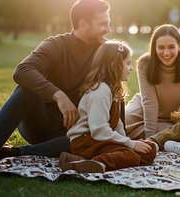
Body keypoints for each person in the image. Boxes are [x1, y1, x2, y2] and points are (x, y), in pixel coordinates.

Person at [0, 0, 110, 174]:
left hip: (72, 133)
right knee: (26, 89)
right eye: (103, 24)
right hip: (39, 122)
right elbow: (22, 71)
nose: (108, 29)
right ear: (83, 24)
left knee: (93, 138)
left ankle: (15, 152)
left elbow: (115, 95)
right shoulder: (56, 44)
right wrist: (59, 95)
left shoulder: (106, 52)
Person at [59, 40, 156, 173]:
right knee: (131, 156)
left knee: (150, 148)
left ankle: (78, 159)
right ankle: (96, 163)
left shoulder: (113, 89)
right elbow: (98, 130)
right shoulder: (101, 91)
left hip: (99, 139)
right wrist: (130, 145)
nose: (131, 68)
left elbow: (117, 125)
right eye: (128, 64)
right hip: (86, 141)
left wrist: (127, 142)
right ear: (113, 66)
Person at [125, 24, 180, 140]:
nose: (166, 53)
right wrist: (150, 139)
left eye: (171, 47)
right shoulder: (144, 63)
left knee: (174, 133)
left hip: (172, 116)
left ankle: (153, 133)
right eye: (161, 47)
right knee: (121, 125)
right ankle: (156, 134)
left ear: (179, 46)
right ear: (154, 48)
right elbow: (149, 102)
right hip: (142, 109)